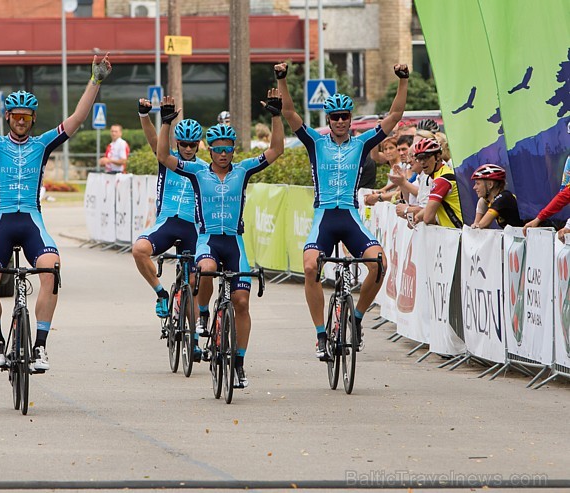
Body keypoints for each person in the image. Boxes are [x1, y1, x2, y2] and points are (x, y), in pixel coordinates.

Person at [0, 49, 111, 371]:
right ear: (7, 117)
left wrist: (95, 80)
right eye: (16, 116)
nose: (21, 121)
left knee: (51, 269)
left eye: (27, 117)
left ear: (33, 120)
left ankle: (40, 347)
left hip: (32, 222)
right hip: (2, 222)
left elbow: (76, 119)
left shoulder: (43, 144)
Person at [276, 61, 409, 360]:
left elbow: (396, 115)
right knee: (311, 268)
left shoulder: (362, 143)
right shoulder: (314, 142)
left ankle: (357, 318)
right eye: (334, 117)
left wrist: (403, 80)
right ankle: (321, 335)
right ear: (329, 119)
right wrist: (281, 79)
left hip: (349, 215)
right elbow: (289, 113)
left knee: (380, 264)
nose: (339, 121)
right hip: (324, 215)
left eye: (344, 117)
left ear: (350, 119)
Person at [156, 88, 284, 389]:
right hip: (208, 240)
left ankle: (238, 363)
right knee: (208, 270)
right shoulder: (198, 172)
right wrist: (165, 123)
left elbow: (276, 150)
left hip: (235, 243)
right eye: (218, 149)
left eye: (228, 149)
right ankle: (203, 316)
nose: (223, 154)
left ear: (234, 150)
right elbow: (163, 156)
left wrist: (277, 116)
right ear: (209, 150)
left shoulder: (243, 170)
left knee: (241, 301)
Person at [131, 97, 204, 356]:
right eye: (182, 143)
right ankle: (162, 294)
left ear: (198, 144)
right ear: (177, 143)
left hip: (192, 229)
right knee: (139, 250)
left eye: (191, 144)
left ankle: (194, 338)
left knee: (194, 283)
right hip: (165, 222)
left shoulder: (205, 168)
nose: (186, 148)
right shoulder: (168, 160)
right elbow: (154, 141)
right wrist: (147, 116)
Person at [411, 138, 464, 228]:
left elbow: (428, 218)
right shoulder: (441, 174)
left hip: (457, 232)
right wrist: (417, 217)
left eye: (426, 157)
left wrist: (434, 225)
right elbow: (429, 207)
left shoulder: (442, 179)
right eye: (419, 159)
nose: (423, 162)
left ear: (438, 156)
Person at [470, 164, 523, 229]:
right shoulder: (488, 200)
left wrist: (476, 225)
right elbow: (476, 224)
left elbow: (481, 225)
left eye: (478, 183)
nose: (474, 187)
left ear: (490, 184)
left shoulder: (504, 198)